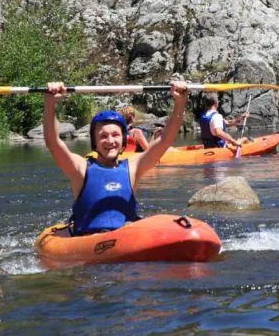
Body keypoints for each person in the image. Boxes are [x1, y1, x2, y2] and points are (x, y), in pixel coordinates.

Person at [44, 81, 188, 236]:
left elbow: (165, 140)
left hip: (126, 239)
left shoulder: (134, 167)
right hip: (89, 241)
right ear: (95, 142)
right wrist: (50, 103)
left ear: (123, 140)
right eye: (103, 136)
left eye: (115, 135)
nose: (110, 141)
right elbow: (53, 143)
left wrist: (180, 102)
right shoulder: (80, 168)